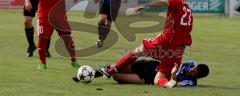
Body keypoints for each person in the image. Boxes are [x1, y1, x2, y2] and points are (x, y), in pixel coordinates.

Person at [98, 0, 194, 88]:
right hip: (179, 47)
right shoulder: (187, 5)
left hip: (168, 40)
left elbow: (164, 2)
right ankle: (168, 83)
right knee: (158, 79)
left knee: (137, 51)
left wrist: (145, 5)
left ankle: (110, 71)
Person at [72, 59, 209, 88]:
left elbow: (173, 84)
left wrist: (173, 75)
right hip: (152, 65)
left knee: (117, 76)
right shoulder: (191, 63)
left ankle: (88, 75)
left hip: (149, 77)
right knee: (116, 67)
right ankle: (84, 75)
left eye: (194, 73)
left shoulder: (191, 82)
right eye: (194, 68)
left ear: (197, 77)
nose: (191, 71)